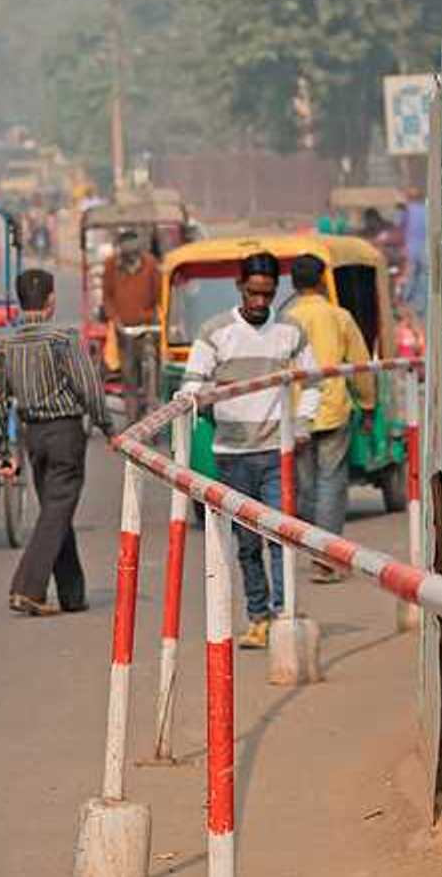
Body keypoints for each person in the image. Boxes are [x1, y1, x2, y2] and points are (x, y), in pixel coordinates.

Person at [180, 252, 317, 649]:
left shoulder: (290, 331)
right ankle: (257, 616)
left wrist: (303, 423)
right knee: (246, 544)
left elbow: (313, 382)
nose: (259, 302)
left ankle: (282, 613)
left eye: (267, 294)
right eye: (253, 293)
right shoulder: (215, 332)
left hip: (276, 451)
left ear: (276, 292)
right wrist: (203, 400)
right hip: (231, 454)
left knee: (280, 537)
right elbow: (190, 387)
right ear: (241, 288)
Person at [0, 268, 112, 616]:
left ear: (20, 302)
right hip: (64, 433)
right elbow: (88, 387)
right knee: (58, 509)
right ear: (51, 301)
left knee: (55, 511)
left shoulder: (5, 345)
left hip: (34, 436)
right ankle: (28, 588)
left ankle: (73, 594)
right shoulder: (64, 338)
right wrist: (108, 426)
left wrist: (2, 450)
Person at [281, 254, 374, 583]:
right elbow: (361, 364)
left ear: (293, 284)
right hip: (333, 408)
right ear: (322, 281)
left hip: (294, 412)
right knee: (331, 484)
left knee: (305, 487)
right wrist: (368, 403)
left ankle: (312, 550)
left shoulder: (284, 318)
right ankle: (328, 559)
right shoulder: (339, 316)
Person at [100, 229, 163, 424]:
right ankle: (132, 420)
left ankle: (152, 413)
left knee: (152, 372)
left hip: (147, 330)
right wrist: (114, 318)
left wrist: (155, 318)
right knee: (129, 377)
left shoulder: (150, 264)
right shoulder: (112, 265)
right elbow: (107, 296)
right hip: (124, 331)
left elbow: (159, 294)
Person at [402, 185, 428, 316]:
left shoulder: (408, 211)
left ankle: (405, 301)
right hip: (424, 249)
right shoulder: (426, 210)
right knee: (422, 278)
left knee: (411, 276)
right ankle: (421, 306)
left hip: (412, 248)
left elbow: (401, 226)